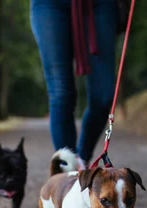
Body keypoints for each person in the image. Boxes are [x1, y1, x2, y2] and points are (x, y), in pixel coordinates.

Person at [30, 0, 118, 168]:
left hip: (99, 4)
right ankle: (68, 171)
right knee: (61, 94)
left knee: (104, 96)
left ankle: (81, 159)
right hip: (49, 5)